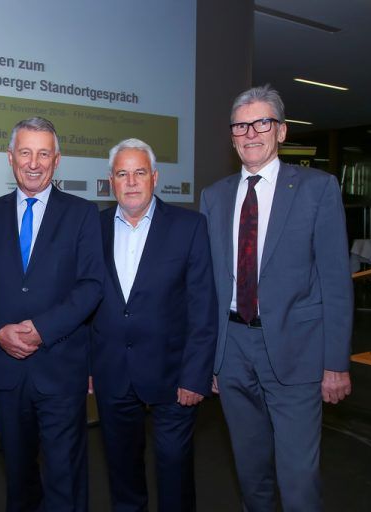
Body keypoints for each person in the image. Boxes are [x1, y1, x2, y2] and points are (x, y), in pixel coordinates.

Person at [199, 84, 353, 511]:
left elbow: (336, 280)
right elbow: (210, 285)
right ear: (231, 136)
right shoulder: (214, 197)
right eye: (241, 125)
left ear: (281, 131)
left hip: (298, 352)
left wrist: (336, 363)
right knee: (251, 475)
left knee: (298, 480)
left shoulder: (316, 189)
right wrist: (212, 359)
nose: (251, 133)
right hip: (232, 351)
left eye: (262, 122)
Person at [0, 117, 104, 512]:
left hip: (60, 368)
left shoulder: (82, 213)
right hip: (5, 373)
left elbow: (92, 285)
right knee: (18, 478)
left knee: (65, 478)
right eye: (25, 152)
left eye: (43, 153)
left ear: (57, 159)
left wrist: (41, 329)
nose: (34, 162)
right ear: (10, 158)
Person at [91, 138, 217, 512]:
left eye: (139, 172)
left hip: (173, 374)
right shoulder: (92, 228)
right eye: (122, 174)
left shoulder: (189, 226)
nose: (131, 182)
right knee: (122, 472)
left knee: (174, 470)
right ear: (110, 181)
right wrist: (88, 367)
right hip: (112, 371)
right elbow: (84, 303)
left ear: (155, 177)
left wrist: (195, 376)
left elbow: (202, 306)